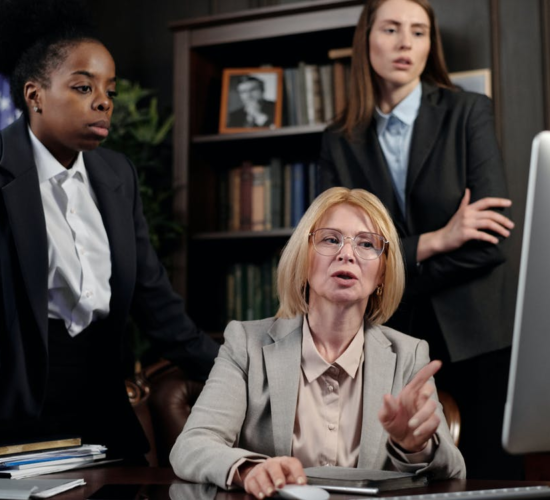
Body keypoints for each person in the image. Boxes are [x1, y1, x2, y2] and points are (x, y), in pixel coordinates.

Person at [0, 0, 219, 461]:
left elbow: (155, 300)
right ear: (34, 95)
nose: (103, 101)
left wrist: (235, 370)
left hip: (103, 411)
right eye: (83, 87)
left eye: (110, 91)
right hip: (18, 419)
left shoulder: (117, 175)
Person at [318, 0, 520, 479]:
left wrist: (390, 265)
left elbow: (492, 243)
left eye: (419, 31)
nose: (406, 43)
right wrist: (439, 238)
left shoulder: (468, 112)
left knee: (490, 479)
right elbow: (335, 250)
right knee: (400, 480)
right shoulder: (339, 139)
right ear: (366, 39)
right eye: (391, 29)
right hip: (386, 338)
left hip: (478, 338)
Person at [170, 187, 465, 498]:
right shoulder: (246, 344)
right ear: (303, 260)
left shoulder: (408, 355)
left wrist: (414, 447)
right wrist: (249, 470)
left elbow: (454, 472)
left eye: (366, 244)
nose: (347, 253)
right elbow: (191, 445)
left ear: (381, 274)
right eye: (331, 239)